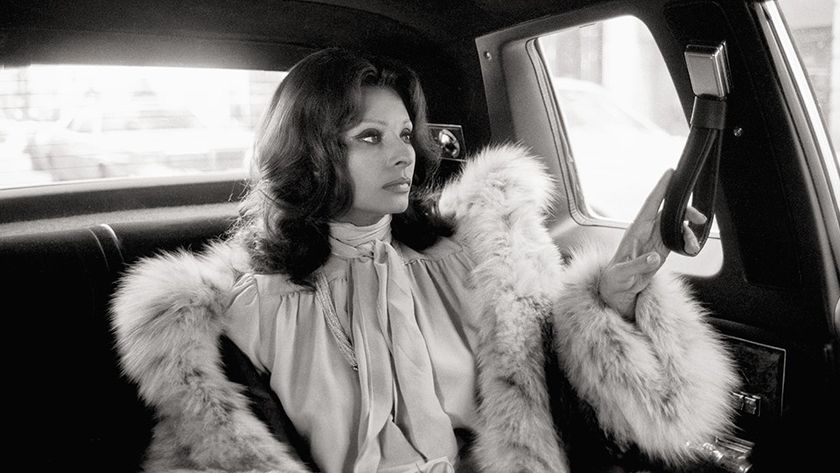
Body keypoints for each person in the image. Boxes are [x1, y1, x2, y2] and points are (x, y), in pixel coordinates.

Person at [111, 48, 739, 473]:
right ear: (308, 153)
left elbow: (602, 394)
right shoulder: (242, 309)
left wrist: (620, 295)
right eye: (369, 137)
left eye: (406, 133)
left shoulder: (477, 260)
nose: (403, 154)